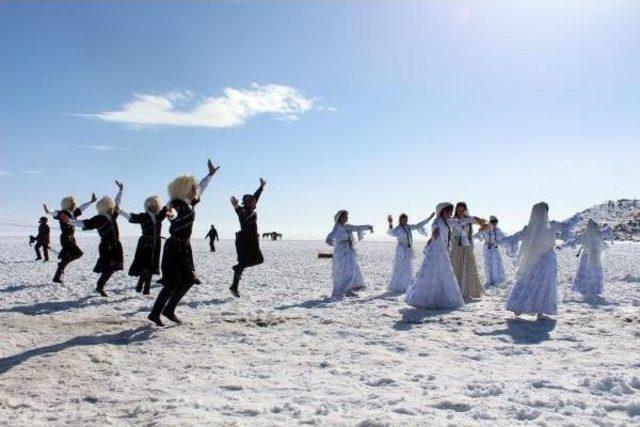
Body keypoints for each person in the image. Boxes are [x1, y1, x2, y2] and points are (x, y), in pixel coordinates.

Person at [148, 159, 219, 326]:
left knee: (187, 280)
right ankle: (157, 312)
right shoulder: (177, 204)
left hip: (184, 247)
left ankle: (168, 309)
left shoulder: (189, 202)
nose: (195, 189)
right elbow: (171, 213)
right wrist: (170, 214)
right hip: (175, 247)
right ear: (184, 190)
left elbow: (202, 187)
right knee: (174, 281)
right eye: (192, 187)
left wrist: (210, 175)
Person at [405, 202, 483, 310]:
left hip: (443, 251)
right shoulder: (437, 221)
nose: (451, 214)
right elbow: (435, 228)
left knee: (444, 274)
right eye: (450, 211)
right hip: (436, 252)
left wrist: (475, 219)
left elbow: (461, 221)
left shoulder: (448, 221)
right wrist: (434, 232)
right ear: (443, 211)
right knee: (432, 273)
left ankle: (440, 297)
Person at [65, 182, 124, 297]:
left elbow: (117, 202)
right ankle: (100, 286)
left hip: (116, 246)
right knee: (109, 267)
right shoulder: (99, 218)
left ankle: (100, 285)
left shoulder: (113, 216)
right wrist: (70, 221)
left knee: (112, 268)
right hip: (106, 247)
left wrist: (120, 190)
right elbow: (84, 223)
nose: (113, 207)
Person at [505, 202, 561, 320]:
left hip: (533, 260)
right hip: (547, 260)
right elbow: (568, 226)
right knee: (544, 286)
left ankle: (519, 307)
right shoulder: (551, 226)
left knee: (528, 282)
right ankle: (539, 311)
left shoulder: (529, 229)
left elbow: (514, 238)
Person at [119, 195, 167, 295]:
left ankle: (146, 288)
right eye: (154, 205)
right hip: (145, 243)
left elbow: (166, 208)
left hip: (156, 244)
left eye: (157, 205)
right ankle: (141, 284)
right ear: (148, 206)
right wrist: (119, 211)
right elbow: (130, 217)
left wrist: (174, 197)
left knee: (152, 266)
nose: (156, 207)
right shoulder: (143, 216)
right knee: (146, 266)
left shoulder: (158, 216)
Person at [43, 192, 97, 283]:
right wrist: (48, 211)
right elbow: (56, 213)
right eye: (72, 203)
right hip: (66, 238)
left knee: (67, 257)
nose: (74, 204)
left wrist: (91, 201)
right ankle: (61, 266)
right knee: (78, 253)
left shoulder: (73, 214)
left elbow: (82, 208)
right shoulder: (63, 212)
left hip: (71, 238)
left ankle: (57, 276)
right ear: (68, 204)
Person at [229, 178, 266, 298]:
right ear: (246, 203)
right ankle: (237, 274)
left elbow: (256, 197)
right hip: (245, 240)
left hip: (252, 239)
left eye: (253, 201)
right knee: (256, 260)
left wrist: (260, 187)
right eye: (250, 201)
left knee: (248, 262)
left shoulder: (250, 208)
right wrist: (235, 206)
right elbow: (239, 209)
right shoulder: (243, 211)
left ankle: (234, 286)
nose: (253, 202)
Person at [325, 210, 373, 299]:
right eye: (345, 216)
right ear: (340, 217)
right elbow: (331, 236)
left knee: (351, 269)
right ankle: (343, 290)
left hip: (349, 251)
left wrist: (368, 227)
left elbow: (358, 227)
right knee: (344, 272)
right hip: (341, 252)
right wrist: (330, 241)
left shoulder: (347, 227)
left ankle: (348, 290)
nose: (347, 218)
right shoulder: (338, 227)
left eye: (347, 216)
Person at [561, 219, 612, 299]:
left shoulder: (583, 235)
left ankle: (583, 290)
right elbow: (608, 231)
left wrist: (561, 247)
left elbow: (572, 242)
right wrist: (606, 226)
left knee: (584, 273)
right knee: (594, 273)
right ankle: (595, 290)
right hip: (595, 257)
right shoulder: (598, 234)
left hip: (585, 257)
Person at [386, 212, 434, 294]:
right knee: (400, 268)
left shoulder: (408, 227)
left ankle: (406, 285)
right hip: (401, 251)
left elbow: (418, 225)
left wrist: (428, 219)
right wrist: (390, 223)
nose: (404, 221)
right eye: (403, 219)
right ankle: (398, 286)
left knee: (408, 268)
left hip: (408, 251)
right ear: (400, 220)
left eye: (406, 219)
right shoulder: (398, 229)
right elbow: (390, 232)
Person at [450, 202, 483, 301]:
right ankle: (456, 291)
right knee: (456, 266)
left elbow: (482, 222)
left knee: (467, 267)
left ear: (465, 210)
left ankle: (467, 291)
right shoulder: (452, 220)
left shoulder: (468, 220)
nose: (460, 212)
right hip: (456, 246)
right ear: (456, 210)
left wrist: (479, 221)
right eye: (458, 210)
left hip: (466, 246)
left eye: (462, 210)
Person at [474, 215, 507, 287]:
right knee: (488, 264)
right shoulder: (485, 229)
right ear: (490, 222)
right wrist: (481, 230)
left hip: (495, 248)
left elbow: (504, 238)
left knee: (496, 263)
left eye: (496, 222)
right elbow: (477, 236)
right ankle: (489, 280)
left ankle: (497, 280)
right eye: (493, 222)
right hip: (487, 248)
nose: (494, 223)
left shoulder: (497, 230)